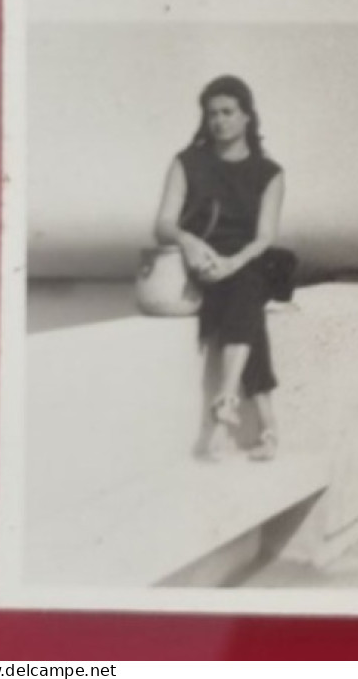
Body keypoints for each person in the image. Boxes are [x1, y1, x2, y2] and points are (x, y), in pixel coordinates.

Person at [153, 75, 286, 461]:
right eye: (212, 114)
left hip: (249, 259)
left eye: (228, 112)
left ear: (247, 117)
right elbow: (163, 224)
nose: (219, 121)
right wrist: (191, 242)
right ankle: (266, 426)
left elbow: (264, 238)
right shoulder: (187, 162)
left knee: (245, 284)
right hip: (201, 261)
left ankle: (225, 404)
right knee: (248, 308)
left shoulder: (269, 172)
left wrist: (233, 263)